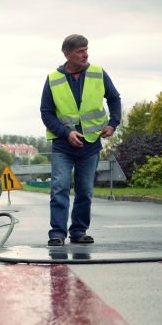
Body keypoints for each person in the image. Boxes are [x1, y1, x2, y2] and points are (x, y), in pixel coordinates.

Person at [40, 34, 121, 246]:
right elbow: (46, 113)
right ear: (67, 54)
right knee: (60, 188)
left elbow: (114, 99)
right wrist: (66, 133)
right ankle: (57, 234)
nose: (85, 54)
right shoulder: (53, 79)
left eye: (86, 49)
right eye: (80, 51)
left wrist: (113, 123)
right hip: (63, 145)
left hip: (90, 144)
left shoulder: (98, 73)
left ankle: (78, 231)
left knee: (85, 190)